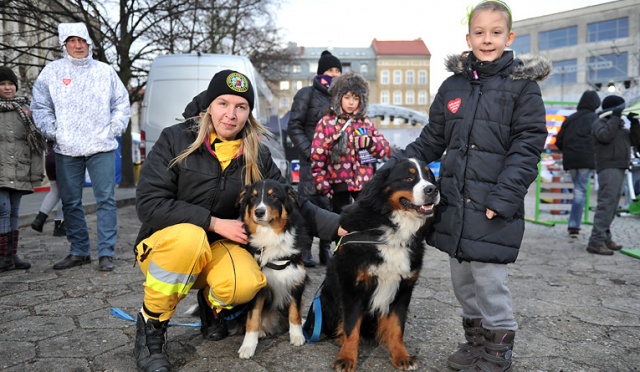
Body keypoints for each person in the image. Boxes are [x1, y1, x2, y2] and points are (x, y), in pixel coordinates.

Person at [133, 69, 344, 372]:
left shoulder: (256, 153)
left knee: (247, 282)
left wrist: (337, 226)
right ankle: (152, 327)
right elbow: (149, 204)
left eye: (240, 107)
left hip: (217, 249)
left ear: (248, 113)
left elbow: (291, 202)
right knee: (189, 239)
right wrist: (214, 223)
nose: (230, 115)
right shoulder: (174, 139)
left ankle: (212, 307)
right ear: (208, 106)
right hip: (167, 245)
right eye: (223, 103)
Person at [391, 1, 550, 370]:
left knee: (489, 281)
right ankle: (476, 343)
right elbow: (432, 138)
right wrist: (399, 164)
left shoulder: (522, 89)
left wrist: (505, 196)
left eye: (496, 32)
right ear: (468, 38)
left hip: (493, 204)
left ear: (509, 37)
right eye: (479, 32)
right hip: (455, 205)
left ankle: (498, 350)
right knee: (463, 281)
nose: (487, 39)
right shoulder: (453, 86)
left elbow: (527, 148)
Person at [31, 22, 130, 271]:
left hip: (101, 145)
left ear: (89, 43)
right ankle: (79, 251)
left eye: (82, 41)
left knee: (106, 199)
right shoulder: (52, 72)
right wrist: (54, 132)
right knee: (71, 201)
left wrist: (114, 127)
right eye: (72, 41)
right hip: (67, 147)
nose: (78, 45)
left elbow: (121, 102)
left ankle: (106, 252)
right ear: (64, 44)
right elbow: (40, 105)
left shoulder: (105, 71)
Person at [288, 50, 342, 266]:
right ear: (321, 72)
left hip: (336, 161)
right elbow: (295, 125)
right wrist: (310, 152)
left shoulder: (342, 97)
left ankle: (325, 250)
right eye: (331, 70)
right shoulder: (307, 94)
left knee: (331, 205)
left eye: (338, 70)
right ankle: (305, 250)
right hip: (311, 160)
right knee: (309, 202)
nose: (335, 74)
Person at [310, 71, 391, 214]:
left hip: (364, 183)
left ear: (362, 100)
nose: (351, 102)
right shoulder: (327, 123)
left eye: (356, 98)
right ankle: (338, 237)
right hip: (337, 183)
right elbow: (317, 156)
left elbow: (384, 150)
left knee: (364, 218)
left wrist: (370, 143)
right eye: (347, 97)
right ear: (338, 98)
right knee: (339, 219)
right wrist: (322, 184)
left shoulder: (366, 123)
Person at [0, 66, 46, 272]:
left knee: (14, 212)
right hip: (1, 170)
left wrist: (36, 173)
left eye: (11, 84)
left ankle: (12, 255)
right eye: (2, 84)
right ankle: (3, 256)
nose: (8, 88)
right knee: (3, 210)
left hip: (20, 169)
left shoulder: (26, 111)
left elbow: (36, 145)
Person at [587, 95, 640, 255]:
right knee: (606, 205)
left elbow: (635, 140)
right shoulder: (599, 123)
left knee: (612, 206)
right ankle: (596, 241)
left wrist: (635, 122)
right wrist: (616, 117)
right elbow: (605, 136)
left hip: (619, 167)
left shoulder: (620, 127)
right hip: (608, 168)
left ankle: (604, 237)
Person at [555, 90, 601, 238]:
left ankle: (574, 222)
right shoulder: (596, 118)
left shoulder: (570, 119)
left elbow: (558, 140)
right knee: (580, 191)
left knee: (578, 189)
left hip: (571, 159)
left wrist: (568, 151)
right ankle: (574, 225)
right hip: (586, 160)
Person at [30, 140, 67, 237]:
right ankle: (60, 224)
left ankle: (40, 219)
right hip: (63, 155)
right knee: (67, 191)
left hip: (50, 155)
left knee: (55, 190)